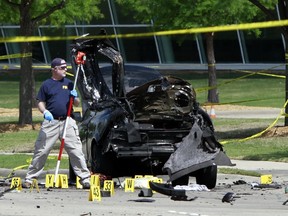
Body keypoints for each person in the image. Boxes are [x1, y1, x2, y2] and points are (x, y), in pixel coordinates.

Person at [23, 58, 91, 189]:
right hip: (51, 122)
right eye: (62, 67)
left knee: (76, 151)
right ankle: (30, 178)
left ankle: (85, 178)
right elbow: (40, 102)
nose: (66, 69)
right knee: (42, 150)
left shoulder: (70, 83)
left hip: (68, 122)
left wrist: (74, 96)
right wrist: (44, 112)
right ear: (54, 69)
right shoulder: (46, 85)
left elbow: (76, 103)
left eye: (66, 67)